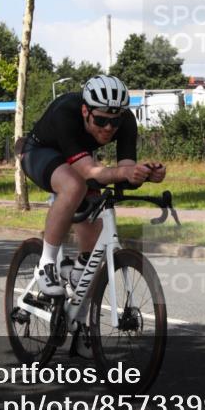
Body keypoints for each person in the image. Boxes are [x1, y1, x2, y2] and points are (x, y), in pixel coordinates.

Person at [19, 75, 166, 297]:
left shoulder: (125, 121)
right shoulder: (66, 113)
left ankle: (79, 272)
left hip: (79, 158)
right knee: (74, 184)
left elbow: (124, 171)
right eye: (100, 121)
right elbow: (89, 172)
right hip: (39, 152)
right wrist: (123, 172)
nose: (108, 128)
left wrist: (142, 175)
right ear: (85, 111)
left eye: (114, 122)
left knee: (95, 221)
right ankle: (46, 263)